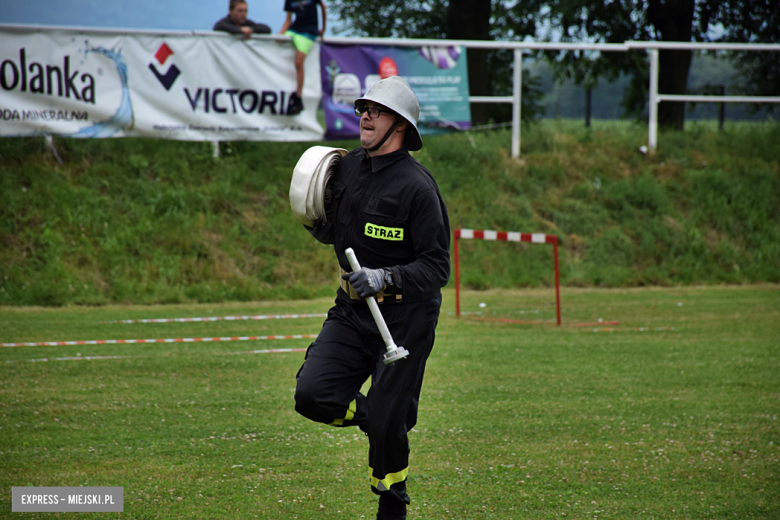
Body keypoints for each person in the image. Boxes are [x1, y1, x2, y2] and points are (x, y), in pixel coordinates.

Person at [294, 76, 450, 520]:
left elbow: (437, 269)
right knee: (312, 395)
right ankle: (383, 419)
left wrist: (384, 277)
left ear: (398, 124)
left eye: (376, 111)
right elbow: (335, 232)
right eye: (363, 107)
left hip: (406, 319)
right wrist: (313, 221)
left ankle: (392, 503)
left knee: (387, 421)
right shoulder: (344, 168)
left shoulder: (419, 189)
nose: (364, 115)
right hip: (352, 311)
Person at [279, 0, 327, 115]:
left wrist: (323, 30)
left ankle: (298, 98)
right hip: (294, 29)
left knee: (298, 62)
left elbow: (323, 8)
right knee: (278, 46)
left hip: (308, 31)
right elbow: (288, 20)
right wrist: (280, 35)